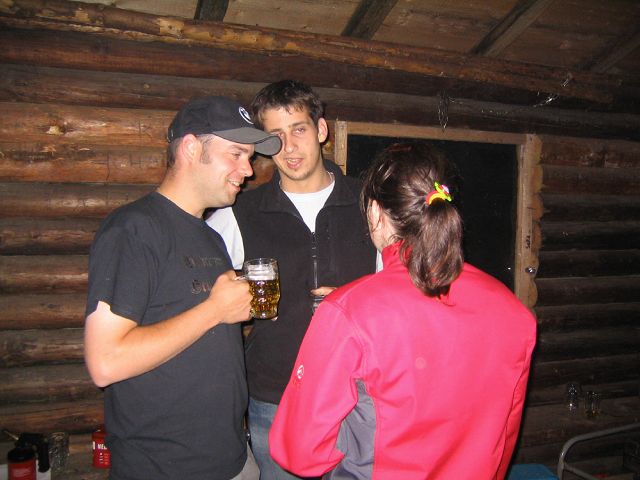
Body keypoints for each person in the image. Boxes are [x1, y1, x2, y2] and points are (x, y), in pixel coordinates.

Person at [269, 142, 537, 479]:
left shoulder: (347, 312)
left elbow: (299, 452)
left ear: (375, 213)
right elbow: (503, 440)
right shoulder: (513, 311)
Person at [84, 96, 281, 480]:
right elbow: (105, 363)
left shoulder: (211, 237)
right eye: (236, 154)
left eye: (250, 157)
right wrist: (215, 310)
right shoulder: (133, 229)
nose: (248, 170)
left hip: (232, 458)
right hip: (165, 469)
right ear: (191, 148)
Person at [207, 80, 377, 479]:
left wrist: (353, 303)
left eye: (298, 129)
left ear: (321, 130)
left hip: (359, 394)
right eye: (275, 136)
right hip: (274, 396)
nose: (289, 147)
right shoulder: (241, 212)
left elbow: (404, 290)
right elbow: (196, 285)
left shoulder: (370, 204)